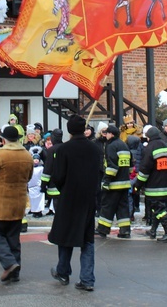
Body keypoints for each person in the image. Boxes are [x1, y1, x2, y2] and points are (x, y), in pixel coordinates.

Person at [48, 115, 101, 292]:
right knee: (87, 240)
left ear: (70, 130)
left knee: (65, 236)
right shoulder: (95, 149)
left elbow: (58, 176)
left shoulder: (64, 149)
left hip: (69, 198)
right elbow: (100, 172)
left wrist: (64, 187)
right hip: (88, 198)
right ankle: (87, 279)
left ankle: (63, 271)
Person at [0, 125, 33, 283]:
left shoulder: (0, 154)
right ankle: (15, 272)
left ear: (4, 139)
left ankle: (10, 264)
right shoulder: (26, 155)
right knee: (13, 237)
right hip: (18, 202)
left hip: (0, 203)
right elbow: (29, 176)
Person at [135, 126, 167, 242]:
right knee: (159, 207)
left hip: (154, 186)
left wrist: (138, 185)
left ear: (149, 137)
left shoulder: (150, 148)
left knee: (158, 209)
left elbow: (145, 169)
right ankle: (153, 230)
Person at [96, 125, 132, 239]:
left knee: (107, 206)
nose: (105, 135)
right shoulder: (124, 145)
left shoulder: (111, 146)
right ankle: (125, 231)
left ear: (111, 134)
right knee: (123, 208)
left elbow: (112, 166)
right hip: (125, 183)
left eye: (107, 133)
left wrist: (106, 181)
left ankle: (102, 230)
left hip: (114, 184)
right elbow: (130, 165)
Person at [40, 128, 63, 216]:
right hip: (67, 185)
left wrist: (43, 185)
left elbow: (48, 169)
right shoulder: (67, 148)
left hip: (55, 185)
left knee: (59, 212)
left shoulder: (52, 150)